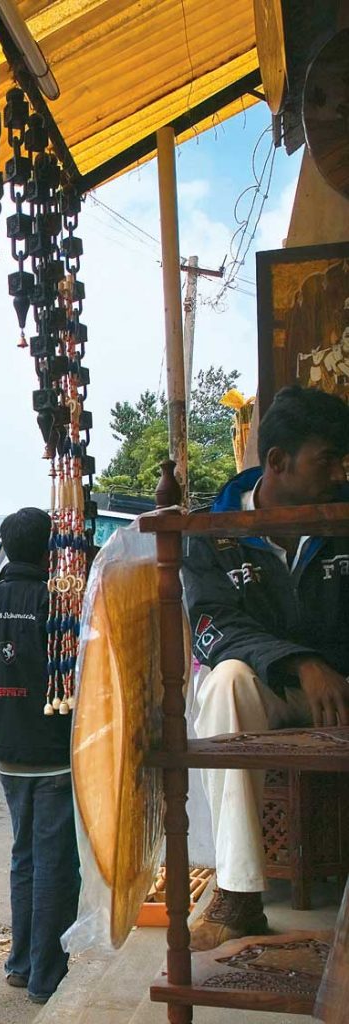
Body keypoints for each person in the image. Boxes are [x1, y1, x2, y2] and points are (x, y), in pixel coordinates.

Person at [182, 385, 349, 950]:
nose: (337, 474)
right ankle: (239, 895)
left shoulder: (345, 516)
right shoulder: (213, 535)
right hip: (280, 688)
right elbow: (213, 626)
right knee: (225, 680)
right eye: (327, 460)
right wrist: (300, 663)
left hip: (346, 687)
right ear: (277, 463)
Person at [0, 507, 78, 1005]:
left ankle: (20, 963)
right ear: (48, 548)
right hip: (52, 753)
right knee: (54, 861)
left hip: (6, 751)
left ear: (7, 548)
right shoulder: (56, 603)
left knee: (24, 855)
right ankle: (44, 976)